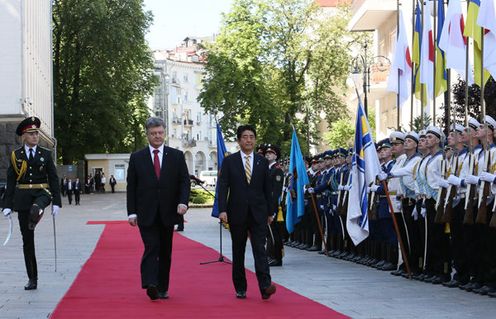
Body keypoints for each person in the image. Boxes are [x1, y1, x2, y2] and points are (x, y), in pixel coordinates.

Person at [127, 117, 190, 300]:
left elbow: (184, 182)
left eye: (160, 132)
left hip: (169, 212)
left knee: (165, 251)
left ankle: (162, 287)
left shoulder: (176, 156)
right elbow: (132, 187)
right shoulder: (137, 157)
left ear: (165, 133)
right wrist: (132, 212)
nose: (157, 136)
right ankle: (150, 283)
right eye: (153, 133)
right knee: (151, 246)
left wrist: (183, 202)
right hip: (145, 213)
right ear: (147, 135)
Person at [2, 116, 62, 290]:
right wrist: (7, 205)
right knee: (27, 241)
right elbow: (11, 181)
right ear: (24, 136)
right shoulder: (16, 156)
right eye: (32, 133)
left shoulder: (45, 154)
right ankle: (32, 278)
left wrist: (57, 202)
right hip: (22, 198)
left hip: (42, 193)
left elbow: (53, 178)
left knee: (36, 209)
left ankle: (36, 214)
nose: (36, 136)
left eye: (36, 133)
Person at [217, 124, 276, 300]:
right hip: (237, 213)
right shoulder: (229, 161)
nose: (248, 140)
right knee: (238, 250)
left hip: (259, 213)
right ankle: (240, 287)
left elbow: (269, 189)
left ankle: (265, 286)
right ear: (239, 140)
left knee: (260, 249)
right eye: (245, 137)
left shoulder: (262, 162)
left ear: (255, 139)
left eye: (251, 136)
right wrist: (222, 210)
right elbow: (223, 187)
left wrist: (271, 212)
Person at [264, 144, 285, 266]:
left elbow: (275, 192)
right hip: (267, 205)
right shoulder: (268, 169)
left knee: (273, 232)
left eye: (271, 153)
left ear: (276, 156)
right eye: (267, 153)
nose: (268, 154)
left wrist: (271, 209)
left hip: (274, 206)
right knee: (269, 232)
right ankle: (270, 255)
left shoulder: (277, 169)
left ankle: (276, 257)